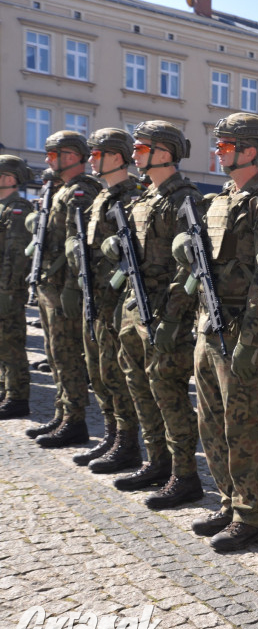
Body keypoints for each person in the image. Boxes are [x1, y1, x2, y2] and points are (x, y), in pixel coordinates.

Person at [177, 113, 258, 550]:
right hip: (209, 325)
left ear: (251, 150)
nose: (217, 151)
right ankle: (229, 501)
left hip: (241, 330)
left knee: (242, 428)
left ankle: (251, 516)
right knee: (211, 422)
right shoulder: (219, 199)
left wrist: (253, 340)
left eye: (226, 145)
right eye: (219, 145)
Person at [95, 121, 204, 512]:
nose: (136, 154)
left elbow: (189, 267)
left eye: (142, 148)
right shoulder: (142, 200)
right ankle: (157, 461)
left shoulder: (184, 199)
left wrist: (174, 318)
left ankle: (184, 474)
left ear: (165, 152)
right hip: (132, 310)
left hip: (163, 315)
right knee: (139, 387)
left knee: (168, 392)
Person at [69, 129, 143, 467]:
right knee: (99, 373)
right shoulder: (102, 196)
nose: (92, 160)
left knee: (117, 375)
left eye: (98, 154)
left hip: (116, 302)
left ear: (116, 157)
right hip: (95, 299)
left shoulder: (132, 197)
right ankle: (111, 435)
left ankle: (127, 444)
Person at [30, 131, 101, 447]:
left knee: (69, 355)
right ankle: (61, 414)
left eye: (53, 154)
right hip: (50, 286)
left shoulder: (81, 192)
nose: (47, 160)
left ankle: (74, 421)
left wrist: (74, 288)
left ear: (72, 156)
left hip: (65, 290)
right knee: (55, 353)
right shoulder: (63, 191)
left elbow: (80, 246)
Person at [0, 155, 35, 420]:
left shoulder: (18, 208)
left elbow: (15, 254)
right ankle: (5, 389)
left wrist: (8, 290)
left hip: (7, 290)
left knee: (11, 343)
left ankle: (17, 397)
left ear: (9, 178)